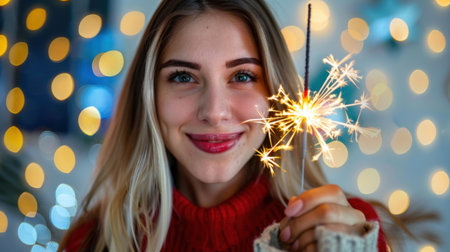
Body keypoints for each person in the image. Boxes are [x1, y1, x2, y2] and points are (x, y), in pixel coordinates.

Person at [59, 0, 389, 251]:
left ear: (276, 92)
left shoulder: (345, 230)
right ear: (149, 95)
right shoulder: (92, 242)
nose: (214, 112)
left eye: (242, 76)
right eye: (183, 77)